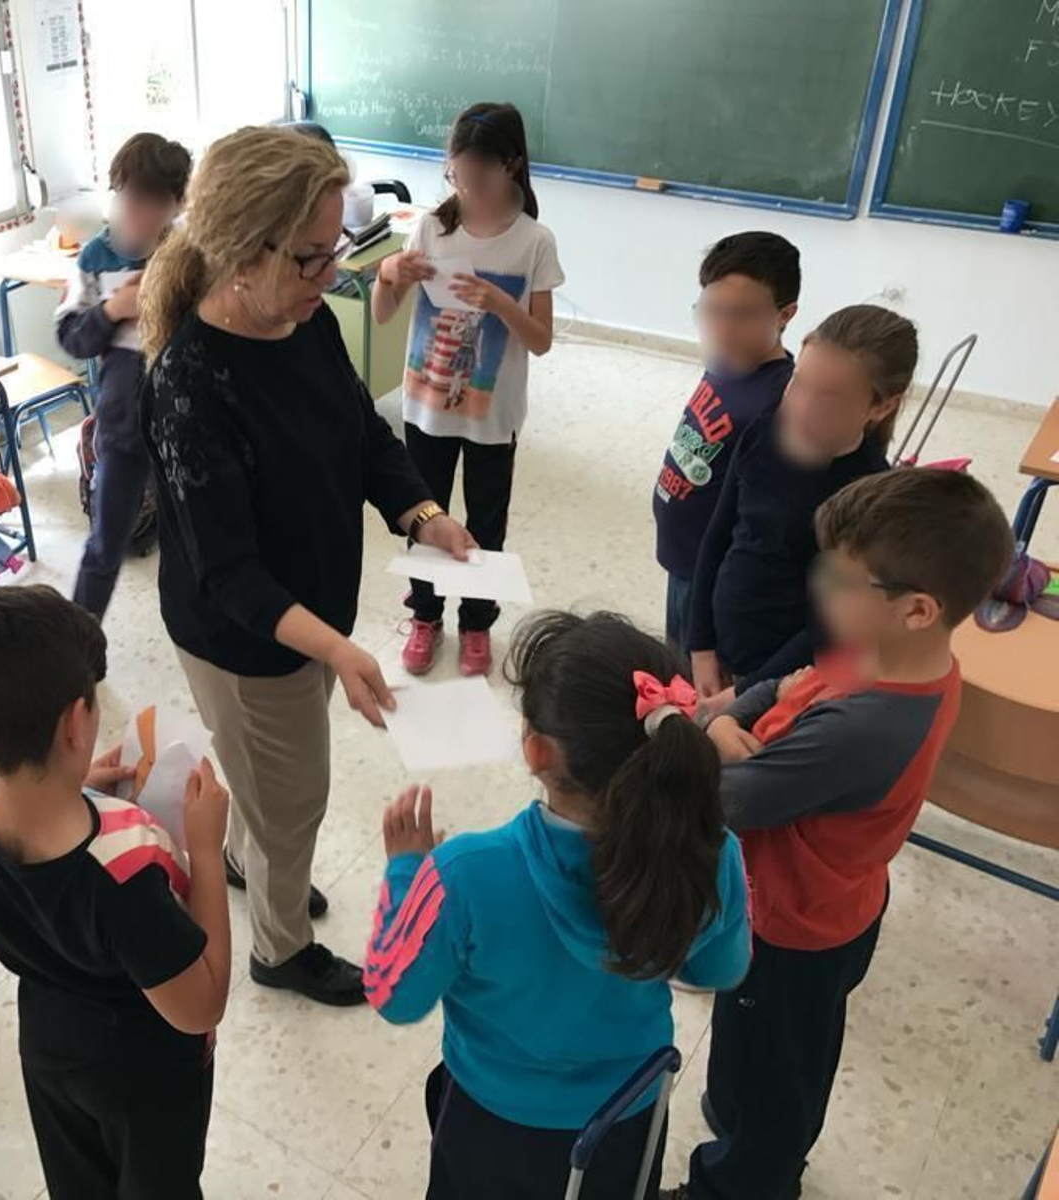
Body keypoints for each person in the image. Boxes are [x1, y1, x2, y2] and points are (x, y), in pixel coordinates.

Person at [138, 124, 476, 1006]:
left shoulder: (305, 318)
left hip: (305, 612)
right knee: (293, 797)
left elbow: (362, 434)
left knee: (267, 780)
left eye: (334, 255)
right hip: (245, 638)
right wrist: (336, 650)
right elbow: (230, 575)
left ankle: (256, 861)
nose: (330, 278)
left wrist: (424, 513)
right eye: (311, 258)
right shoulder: (189, 384)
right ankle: (280, 950)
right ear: (243, 254)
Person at [666, 468, 1014, 1200]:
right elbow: (790, 680)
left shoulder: (867, 725)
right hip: (820, 905)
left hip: (794, 927)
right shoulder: (882, 653)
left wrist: (710, 729)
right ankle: (740, 1121)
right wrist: (729, 719)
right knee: (779, 1052)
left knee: (773, 1080)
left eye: (839, 577)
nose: (816, 585)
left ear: (918, 609)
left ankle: (742, 1182)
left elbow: (726, 800)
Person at [366, 611, 751, 1200]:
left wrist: (404, 874)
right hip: (628, 1115)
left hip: (494, 1125)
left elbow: (394, 996)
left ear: (537, 751)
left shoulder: (464, 875)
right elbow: (719, 970)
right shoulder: (711, 849)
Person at [0, 585, 231, 1199]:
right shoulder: (126, 869)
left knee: (77, 1179)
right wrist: (204, 851)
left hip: (47, 1037)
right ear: (76, 722)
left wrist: (74, 789)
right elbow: (199, 1005)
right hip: (144, 1065)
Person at [371, 101, 564, 678]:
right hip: (426, 406)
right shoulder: (432, 227)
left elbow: (542, 341)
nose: (469, 188)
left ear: (513, 167)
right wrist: (388, 276)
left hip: (492, 416)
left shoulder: (534, 242)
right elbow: (383, 315)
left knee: (486, 520)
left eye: (481, 178)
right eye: (458, 175)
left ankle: (477, 623)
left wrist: (501, 302)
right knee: (424, 515)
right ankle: (425, 614)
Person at [687, 304, 918, 703]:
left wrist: (747, 692)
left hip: (781, 684)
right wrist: (700, 644)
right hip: (719, 650)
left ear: (881, 406)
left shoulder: (870, 499)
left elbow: (831, 625)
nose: (802, 407)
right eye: (800, 383)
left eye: (828, 397)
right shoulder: (762, 431)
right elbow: (719, 534)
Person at [56, 132, 192, 619]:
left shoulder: (188, 254)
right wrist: (115, 308)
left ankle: (203, 635)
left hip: (186, 428)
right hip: (123, 430)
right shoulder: (96, 257)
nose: (139, 211)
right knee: (103, 546)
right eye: (130, 196)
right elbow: (73, 339)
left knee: (196, 545)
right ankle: (76, 648)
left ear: (178, 203)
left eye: (155, 201)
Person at [654, 231, 800, 653]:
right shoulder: (725, 362)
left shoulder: (777, 402)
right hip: (682, 559)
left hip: (711, 576)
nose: (721, 328)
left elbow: (761, 523)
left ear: (785, 314)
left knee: (691, 674)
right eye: (711, 310)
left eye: (741, 315)